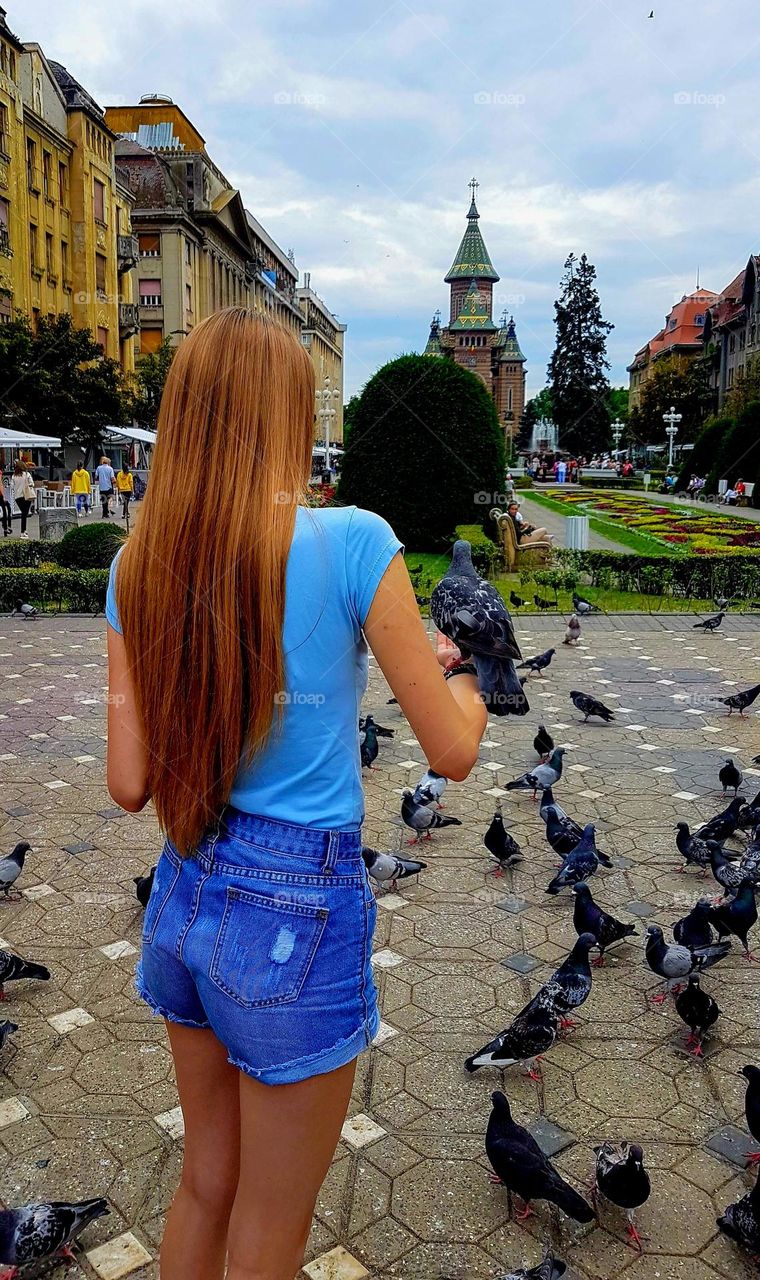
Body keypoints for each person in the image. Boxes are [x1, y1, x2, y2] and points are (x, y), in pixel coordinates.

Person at [105, 308, 487, 1280]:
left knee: (205, 1184)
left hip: (184, 897)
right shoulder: (356, 541)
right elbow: (450, 752)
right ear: (286, 420)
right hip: (294, 919)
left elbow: (128, 782)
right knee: (272, 1226)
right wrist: (464, 677)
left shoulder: (137, 563)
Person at [10, 460, 35, 538]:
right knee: (24, 514)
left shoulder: (14, 476)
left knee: (23, 513)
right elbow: (32, 484)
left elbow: (11, 487)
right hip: (27, 496)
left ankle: (24, 531)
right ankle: (23, 532)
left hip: (18, 497)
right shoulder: (27, 474)